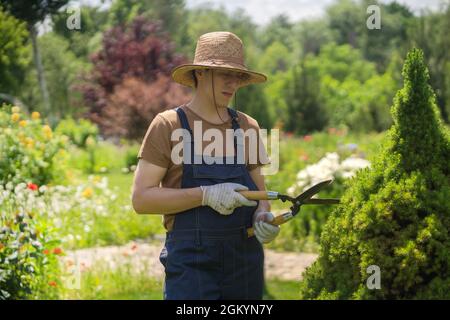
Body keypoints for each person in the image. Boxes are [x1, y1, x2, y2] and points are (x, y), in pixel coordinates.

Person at [132, 31, 280, 300]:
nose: (232, 83)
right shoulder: (169, 125)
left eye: (237, 76)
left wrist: (263, 217)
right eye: (224, 73)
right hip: (191, 263)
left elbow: (261, 196)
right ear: (200, 73)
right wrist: (205, 195)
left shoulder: (247, 127)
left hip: (244, 261)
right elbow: (142, 199)